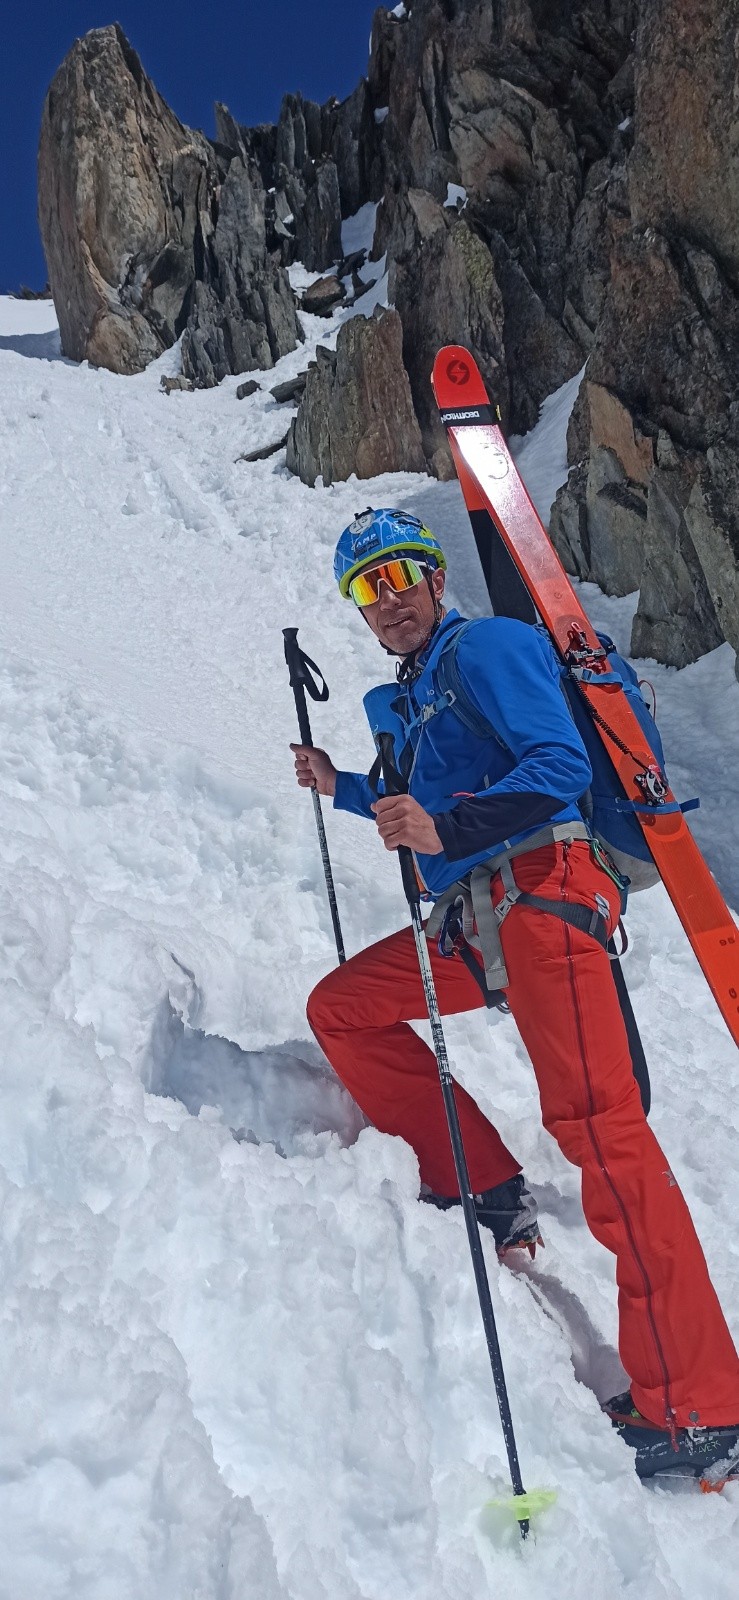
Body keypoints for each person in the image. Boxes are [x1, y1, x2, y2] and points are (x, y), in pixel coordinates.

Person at [291, 507, 739, 1480]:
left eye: (402, 574)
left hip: (543, 895)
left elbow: (558, 767)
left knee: (601, 1131)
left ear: (435, 576)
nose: (390, 598)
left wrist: (444, 826)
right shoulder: (413, 696)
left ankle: (699, 1405)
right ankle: (482, 1181)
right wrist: (345, 787)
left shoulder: (487, 648)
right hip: (477, 919)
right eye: (369, 588)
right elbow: (435, 792)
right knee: (344, 1007)